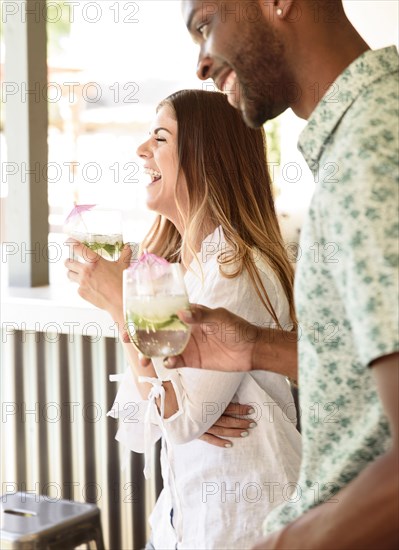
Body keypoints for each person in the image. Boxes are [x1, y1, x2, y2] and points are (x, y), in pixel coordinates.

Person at [153, 1, 398, 548]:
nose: (202, 62)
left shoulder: (374, 148)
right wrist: (256, 348)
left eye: (205, 25)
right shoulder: (358, 140)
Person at [65, 89, 302, 549]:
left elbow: (177, 418)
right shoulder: (172, 268)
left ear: (205, 155)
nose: (140, 149)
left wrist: (121, 305)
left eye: (160, 138)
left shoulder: (237, 269)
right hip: (179, 519)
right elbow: (147, 419)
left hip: (239, 522)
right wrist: (181, 401)